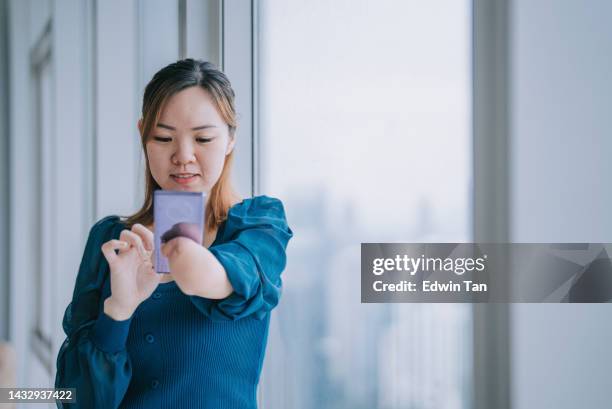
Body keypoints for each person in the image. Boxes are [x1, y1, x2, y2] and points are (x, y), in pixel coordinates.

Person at [54, 59, 293, 408]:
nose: (183, 156)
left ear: (230, 138)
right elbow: (77, 400)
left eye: (203, 138)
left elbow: (223, 277)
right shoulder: (111, 240)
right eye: (163, 137)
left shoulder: (257, 226)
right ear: (142, 135)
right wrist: (119, 309)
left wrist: (178, 247)